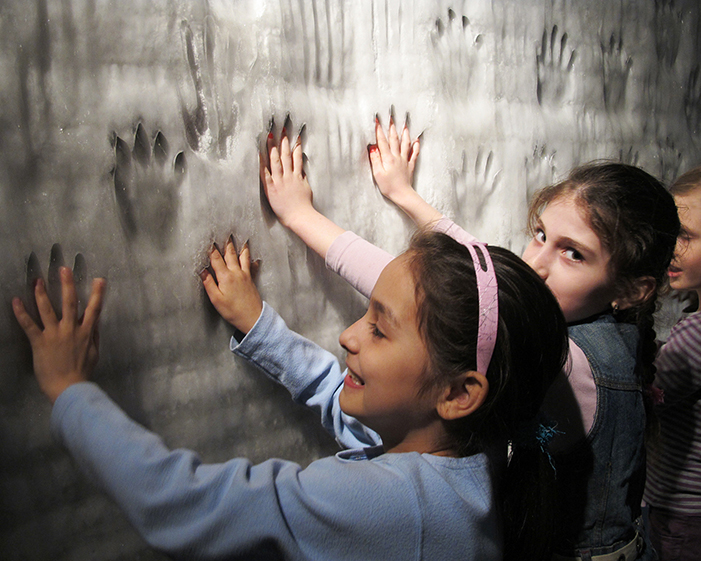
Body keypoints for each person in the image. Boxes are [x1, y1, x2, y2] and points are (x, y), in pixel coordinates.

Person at [260, 116, 681, 560]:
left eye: (573, 254)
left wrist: (300, 215)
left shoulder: (572, 363)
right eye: (540, 235)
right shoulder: (614, 332)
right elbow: (480, 272)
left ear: (633, 290)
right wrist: (406, 197)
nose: (536, 263)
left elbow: (437, 298)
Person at [12, 223, 568, 558]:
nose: (348, 336)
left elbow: (186, 505)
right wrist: (258, 325)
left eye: (379, 327)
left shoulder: (387, 507)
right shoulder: (470, 454)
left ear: (459, 393)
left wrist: (70, 390)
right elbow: (343, 400)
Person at [644, 166, 701, 560]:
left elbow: (646, 398)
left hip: (679, 517)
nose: (672, 248)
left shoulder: (696, 336)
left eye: (687, 235)